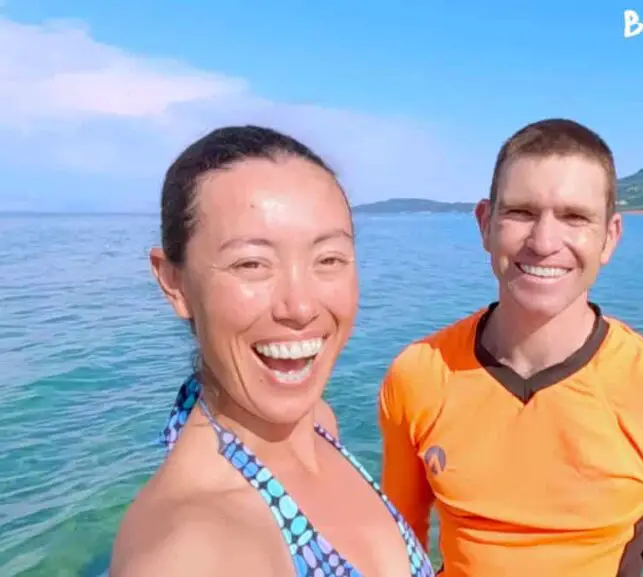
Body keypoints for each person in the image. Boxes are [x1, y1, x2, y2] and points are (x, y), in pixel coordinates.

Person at [378, 118, 643, 576]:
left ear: (609, 238)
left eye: (574, 217)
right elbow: (394, 550)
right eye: (521, 213)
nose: (545, 242)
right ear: (485, 224)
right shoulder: (420, 375)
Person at [110, 125, 434, 577]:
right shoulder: (190, 549)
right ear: (174, 282)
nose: (300, 307)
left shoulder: (317, 421)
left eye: (329, 259)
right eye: (251, 264)